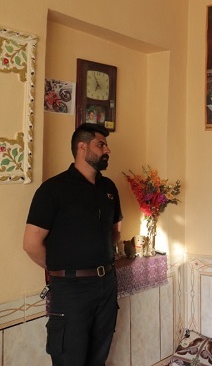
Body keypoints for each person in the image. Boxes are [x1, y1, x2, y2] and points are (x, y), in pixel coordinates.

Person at [23, 123, 122, 366]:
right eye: (101, 144)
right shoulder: (53, 190)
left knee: (99, 357)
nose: (107, 150)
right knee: (70, 358)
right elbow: (31, 244)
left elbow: (115, 232)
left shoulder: (108, 187)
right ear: (82, 147)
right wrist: (62, 269)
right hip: (71, 290)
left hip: (107, 284)